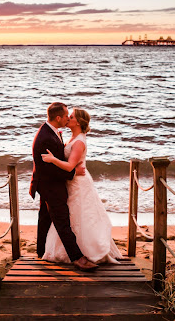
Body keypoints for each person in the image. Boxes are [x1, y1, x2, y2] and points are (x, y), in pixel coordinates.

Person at [41, 108, 122, 264]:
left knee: (81, 215)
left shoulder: (79, 142)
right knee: (71, 215)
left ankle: (88, 250)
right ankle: (72, 250)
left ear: (77, 121)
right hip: (72, 182)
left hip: (78, 184)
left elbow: (70, 166)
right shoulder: (73, 138)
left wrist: (52, 160)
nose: (67, 118)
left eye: (70, 117)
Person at [29, 102, 99, 271]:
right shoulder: (46, 137)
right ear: (58, 118)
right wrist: (73, 172)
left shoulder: (53, 132)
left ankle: (41, 251)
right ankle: (77, 258)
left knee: (45, 217)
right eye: (67, 115)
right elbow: (49, 169)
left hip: (48, 183)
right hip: (50, 185)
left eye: (71, 115)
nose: (68, 117)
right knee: (62, 221)